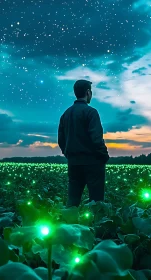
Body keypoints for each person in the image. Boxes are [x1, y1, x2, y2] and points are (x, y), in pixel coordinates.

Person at [58, 79, 110, 207]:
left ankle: (69, 224)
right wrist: (104, 156)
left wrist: (69, 155)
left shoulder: (66, 114)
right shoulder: (91, 112)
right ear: (88, 92)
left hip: (74, 163)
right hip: (93, 162)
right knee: (96, 203)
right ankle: (96, 226)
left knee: (72, 201)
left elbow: (61, 140)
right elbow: (96, 138)